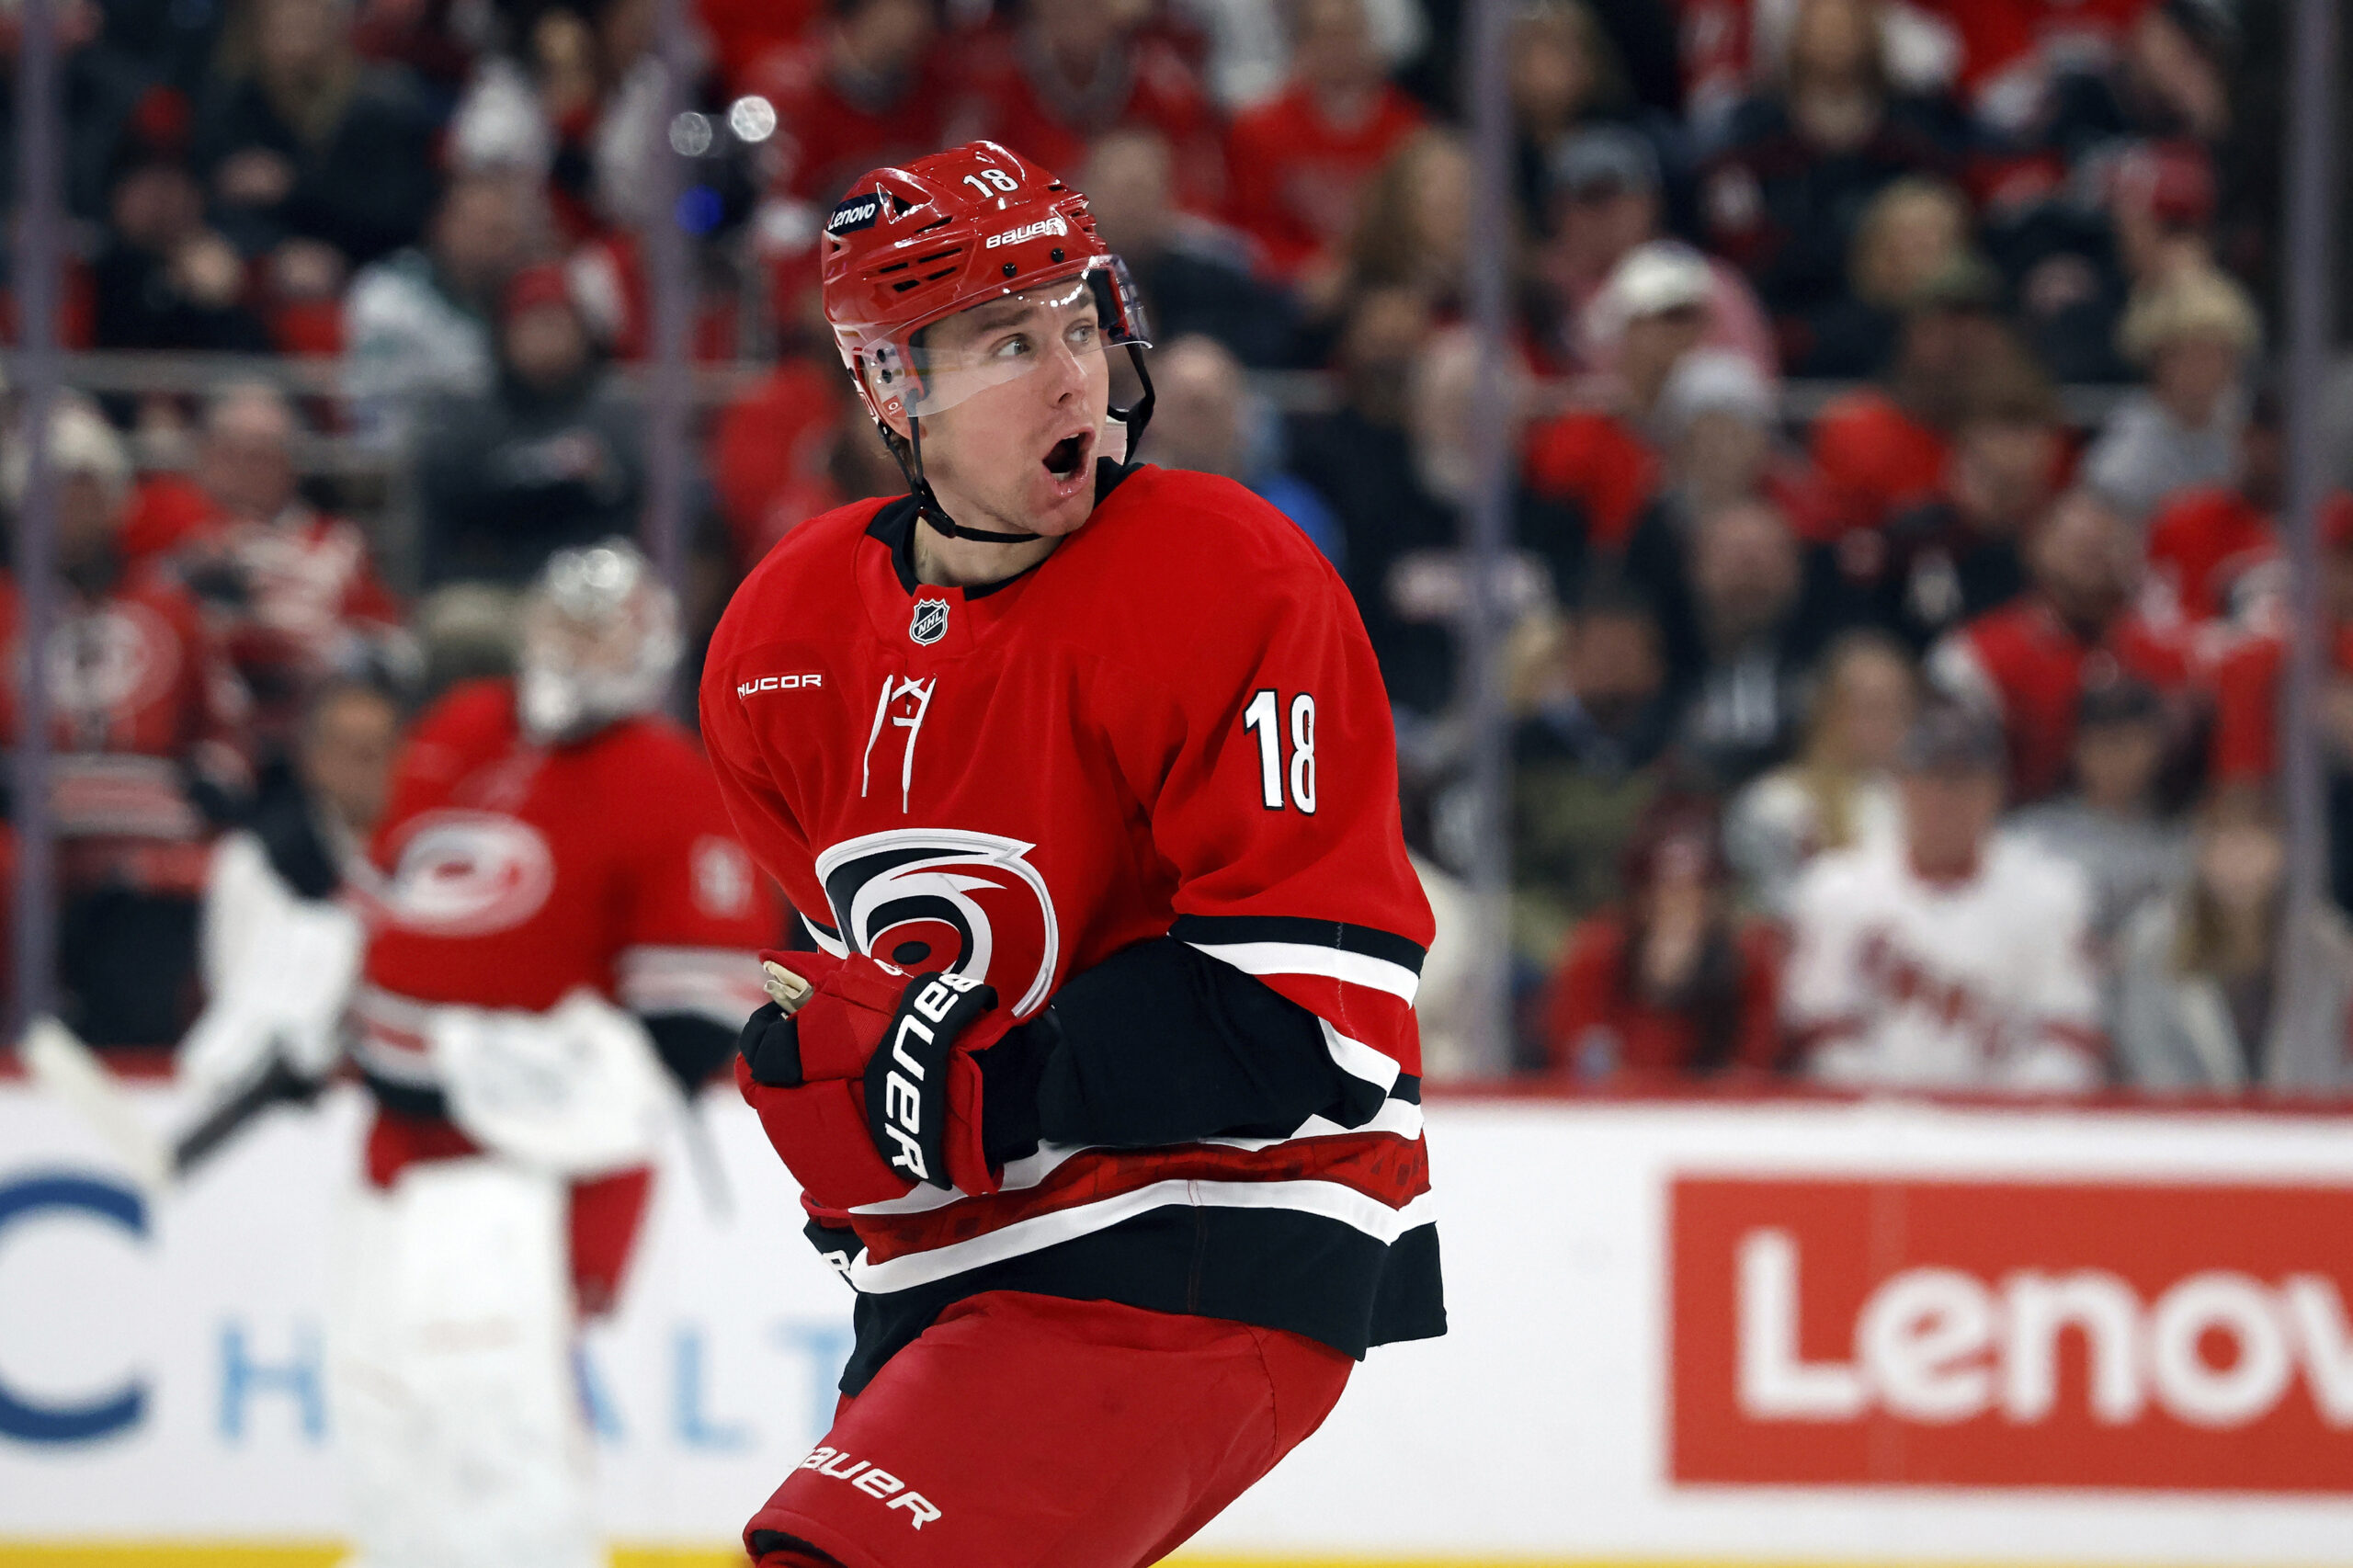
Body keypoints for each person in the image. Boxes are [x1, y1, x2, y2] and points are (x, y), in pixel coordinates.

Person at [699, 142, 1442, 1568]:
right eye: (1006, 341)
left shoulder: (1235, 577)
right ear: (891, 390)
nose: (1072, 380)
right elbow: (872, 997)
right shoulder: (778, 643)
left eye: (1082, 323)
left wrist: (984, 1087)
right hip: (962, 1259)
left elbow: (1309, 1023)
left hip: (1220, 1227)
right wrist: (860, 1118)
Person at [336, 540, 775, 1568]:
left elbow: (690, 1029)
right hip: (391, 1150)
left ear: (648, 648)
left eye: (605, 631)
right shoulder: (462, 726)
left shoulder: (671, 780)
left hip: (525, 1172)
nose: (579, 651)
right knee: (383, 1404)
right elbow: (393, 898)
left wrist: (493, 1066)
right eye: (566, 624)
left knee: (495, 1425)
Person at [0, 399, 253, 1047]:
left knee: (222, 882)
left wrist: (215, 780)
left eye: (86, 494)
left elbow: (225, 728)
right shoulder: (5, 608)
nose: (70, 512)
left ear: (116, 503)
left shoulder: (169, 607)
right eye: (52, 495)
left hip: (152, 847)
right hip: (32, 839)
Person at [1783, 699, 2106, 1093]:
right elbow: (1823, 1039)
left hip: (2011, 1131)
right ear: (1902, 785)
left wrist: (1999, 1125)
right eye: (1930, 778)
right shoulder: (1837, 889)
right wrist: (1894, 1122)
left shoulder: (2051, 893)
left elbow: (2068, 1044)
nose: (1944, 798)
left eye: (1963, 780)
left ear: (1995, 791)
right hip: (1871, 1130)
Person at [169, 383, 406, 748]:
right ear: (206, 456)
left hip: (306, 728)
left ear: (291, 464)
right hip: (195, 731)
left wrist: (314, 647)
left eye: (262, 456)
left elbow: (388, 648)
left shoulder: (337, 542)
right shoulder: (171, 528)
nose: (246, 470)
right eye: (232, 453)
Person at [1930, 486, 2193, 804]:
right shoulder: (1977, 654)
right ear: (2035, 548)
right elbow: (1956, 773)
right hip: (2020, 832)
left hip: (2146, 830)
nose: (2093, 557)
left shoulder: (2165, 649)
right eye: (2079, 545)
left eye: (2104, 545)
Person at [414, 263, 645, 588]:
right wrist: (534, 470)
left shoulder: (614, 407)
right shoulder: (470, 408)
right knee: (460, 624)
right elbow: (450, 499)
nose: (546, 340)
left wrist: (599, 475)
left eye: (556, 325)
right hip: (489, 577)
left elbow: (635, 499)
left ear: (582, 334)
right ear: (506, 334)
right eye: (533, 325)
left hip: (594, 580)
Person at [2112, 792, 2353, 1096]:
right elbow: (2148, 1058)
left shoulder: (2328, 948)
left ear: (2283, 851)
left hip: (2300, 1131)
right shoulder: (2153, 947)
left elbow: (2335, 1060)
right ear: (2199, 853)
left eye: (2254, 841)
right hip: (2186, 1130)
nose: (2240, 860)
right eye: (2225, 841)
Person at [1540, 795, 1783, 1084]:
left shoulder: (1747, 960)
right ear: (1640, 898)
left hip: (1711, 1118)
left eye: (1696, 894)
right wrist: (1657, 993)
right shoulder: (1599, 950)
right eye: (1665, 892)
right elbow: (1580, 1058)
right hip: (1619, 1114)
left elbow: (1753, 1068)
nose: (1679, 907)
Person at [1511, 579, 1678, 964]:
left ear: (1655, 666)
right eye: (1601, 652)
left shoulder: (1675, 755)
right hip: (1549, 933)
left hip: (1657, 936)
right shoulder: (1521, 753)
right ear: (1568, 659)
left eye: (1626, 652)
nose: (1613, 667)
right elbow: (1512, 878)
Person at [1223, 0, 1425, 285]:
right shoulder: (1257, 130)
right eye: (1327, 35)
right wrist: (1303, 269)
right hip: (1288, 290)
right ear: (1302, 44)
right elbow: (1248, 232)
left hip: (1384, 285)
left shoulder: (1409, 133)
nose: (1340, 49)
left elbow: (1416, 237)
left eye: (1351, 34)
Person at [1726, 628, 1916, 913]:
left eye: (1901, 708)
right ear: (1829, 711)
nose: (1893, 724)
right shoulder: (1776, 804)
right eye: (1874, 708)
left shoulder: (1921, 805)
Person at [344, 169, 541, 438]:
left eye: (505, 232)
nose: (497, 244)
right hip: (409, 454)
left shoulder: (523, 295)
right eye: (484, 229)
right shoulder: (390, 292)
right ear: (444, 223)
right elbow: (375, 409)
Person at [2011, 677, 2191, 953]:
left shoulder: (2183, 844)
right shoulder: (2029, 839)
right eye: (2102, 742)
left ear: (2158, 746)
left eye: (2130, 741)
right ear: (2076, 748)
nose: (2115, 757)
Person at [2082, 263, 2259, 523]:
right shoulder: (2124, 457)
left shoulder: (2248, 427)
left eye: (2219, 352)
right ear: (2157, 361)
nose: (2205, 367)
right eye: (2191, 353)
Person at [1143, 334, 1342, 563]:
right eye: (1190, 406)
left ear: (1239, 409)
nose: (1200, 423)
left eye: (1212, 405)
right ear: (1151, 414)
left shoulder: (1294, 514)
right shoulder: (1120, 506)